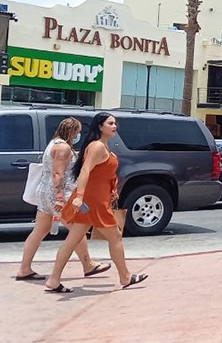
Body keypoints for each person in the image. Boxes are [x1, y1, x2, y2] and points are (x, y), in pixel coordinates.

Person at [44, 113, 147, 293]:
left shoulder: (101, 146)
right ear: (100, 126)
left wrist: (109, 190)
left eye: (115, 123)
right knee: (115, 236)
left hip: (94, 199)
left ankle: (54, 279)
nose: (114, 126)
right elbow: (85, 170)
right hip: (93, 201)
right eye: (110, 123)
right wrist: (80, 196)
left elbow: (100, 174)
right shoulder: (98, 146)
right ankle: (125, 276)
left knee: (73, 240)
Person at [15, 118, 111, 281]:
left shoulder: (53, 144)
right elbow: (58, 174)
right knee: (77, 230)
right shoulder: (63, 148)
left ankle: (24, 268)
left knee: (39, 230)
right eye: (78, 132)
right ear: (72, 132)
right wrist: (60, 199)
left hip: (44, 193)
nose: (79, 135)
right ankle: (88, 265)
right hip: (59, 195)